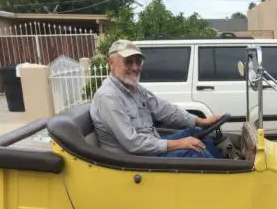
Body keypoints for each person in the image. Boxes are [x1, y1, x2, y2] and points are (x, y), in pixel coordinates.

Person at [90, 39, 224, 158]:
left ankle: (225, 168)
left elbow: (164, 109)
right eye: (128, 62)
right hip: (132, 161)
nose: (136, 67)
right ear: (111, 63)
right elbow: (133, 144)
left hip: (150, 148)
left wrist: (200, 121)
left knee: (196, 132)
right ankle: (226, 180)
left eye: (138, 62)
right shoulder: (108, 96)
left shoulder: (135, 89)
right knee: (195, 151)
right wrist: (179, 143)